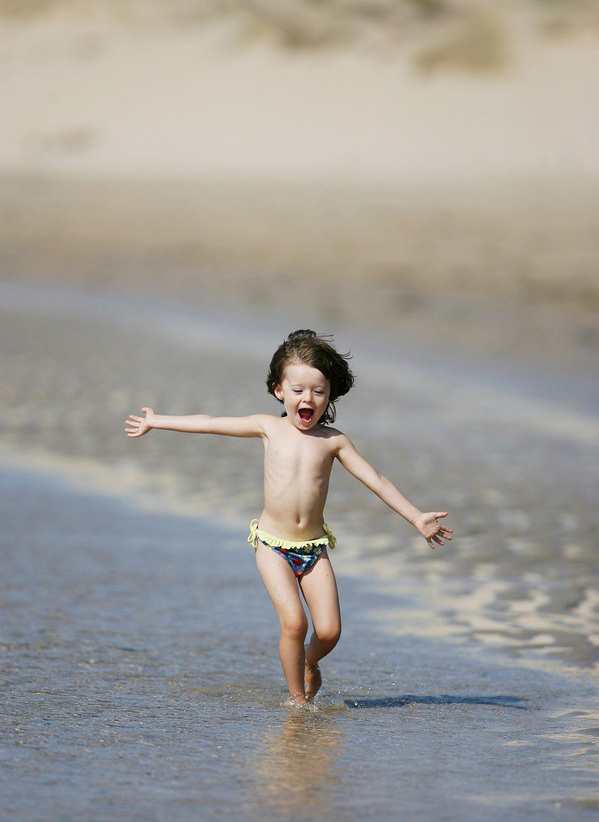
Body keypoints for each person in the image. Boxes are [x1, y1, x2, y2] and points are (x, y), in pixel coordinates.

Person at [125, 329, 452, 705]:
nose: (307, 398)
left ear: (329, 395)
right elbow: (210, 421)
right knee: (295, 623)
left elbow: (375, 479)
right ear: (280, 390)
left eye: (317, 391)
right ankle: (298, 701)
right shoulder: (268, 427)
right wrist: (157, 420)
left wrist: (416, 518)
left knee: (329, 632)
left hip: (313, 548)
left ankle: (310, 664)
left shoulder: (334, 441)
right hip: (272, 545)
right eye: (297, 390)